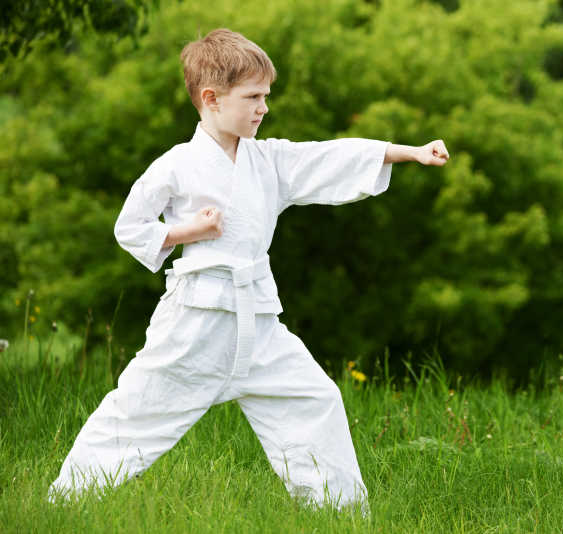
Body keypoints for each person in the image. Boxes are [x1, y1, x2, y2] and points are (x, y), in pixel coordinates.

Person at [49, 28, 449, 511]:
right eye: (254, 97)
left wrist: (409, 152)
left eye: (266, 96)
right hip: (197, 321)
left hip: (258, 322)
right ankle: (67, 500)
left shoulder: (269, 159)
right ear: (211, 98)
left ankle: (338, 513)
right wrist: (184, 233)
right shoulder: (177, 165)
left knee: (315, 400)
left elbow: (328, 155)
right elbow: (129, 226)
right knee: (137, 412)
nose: (264, 108)